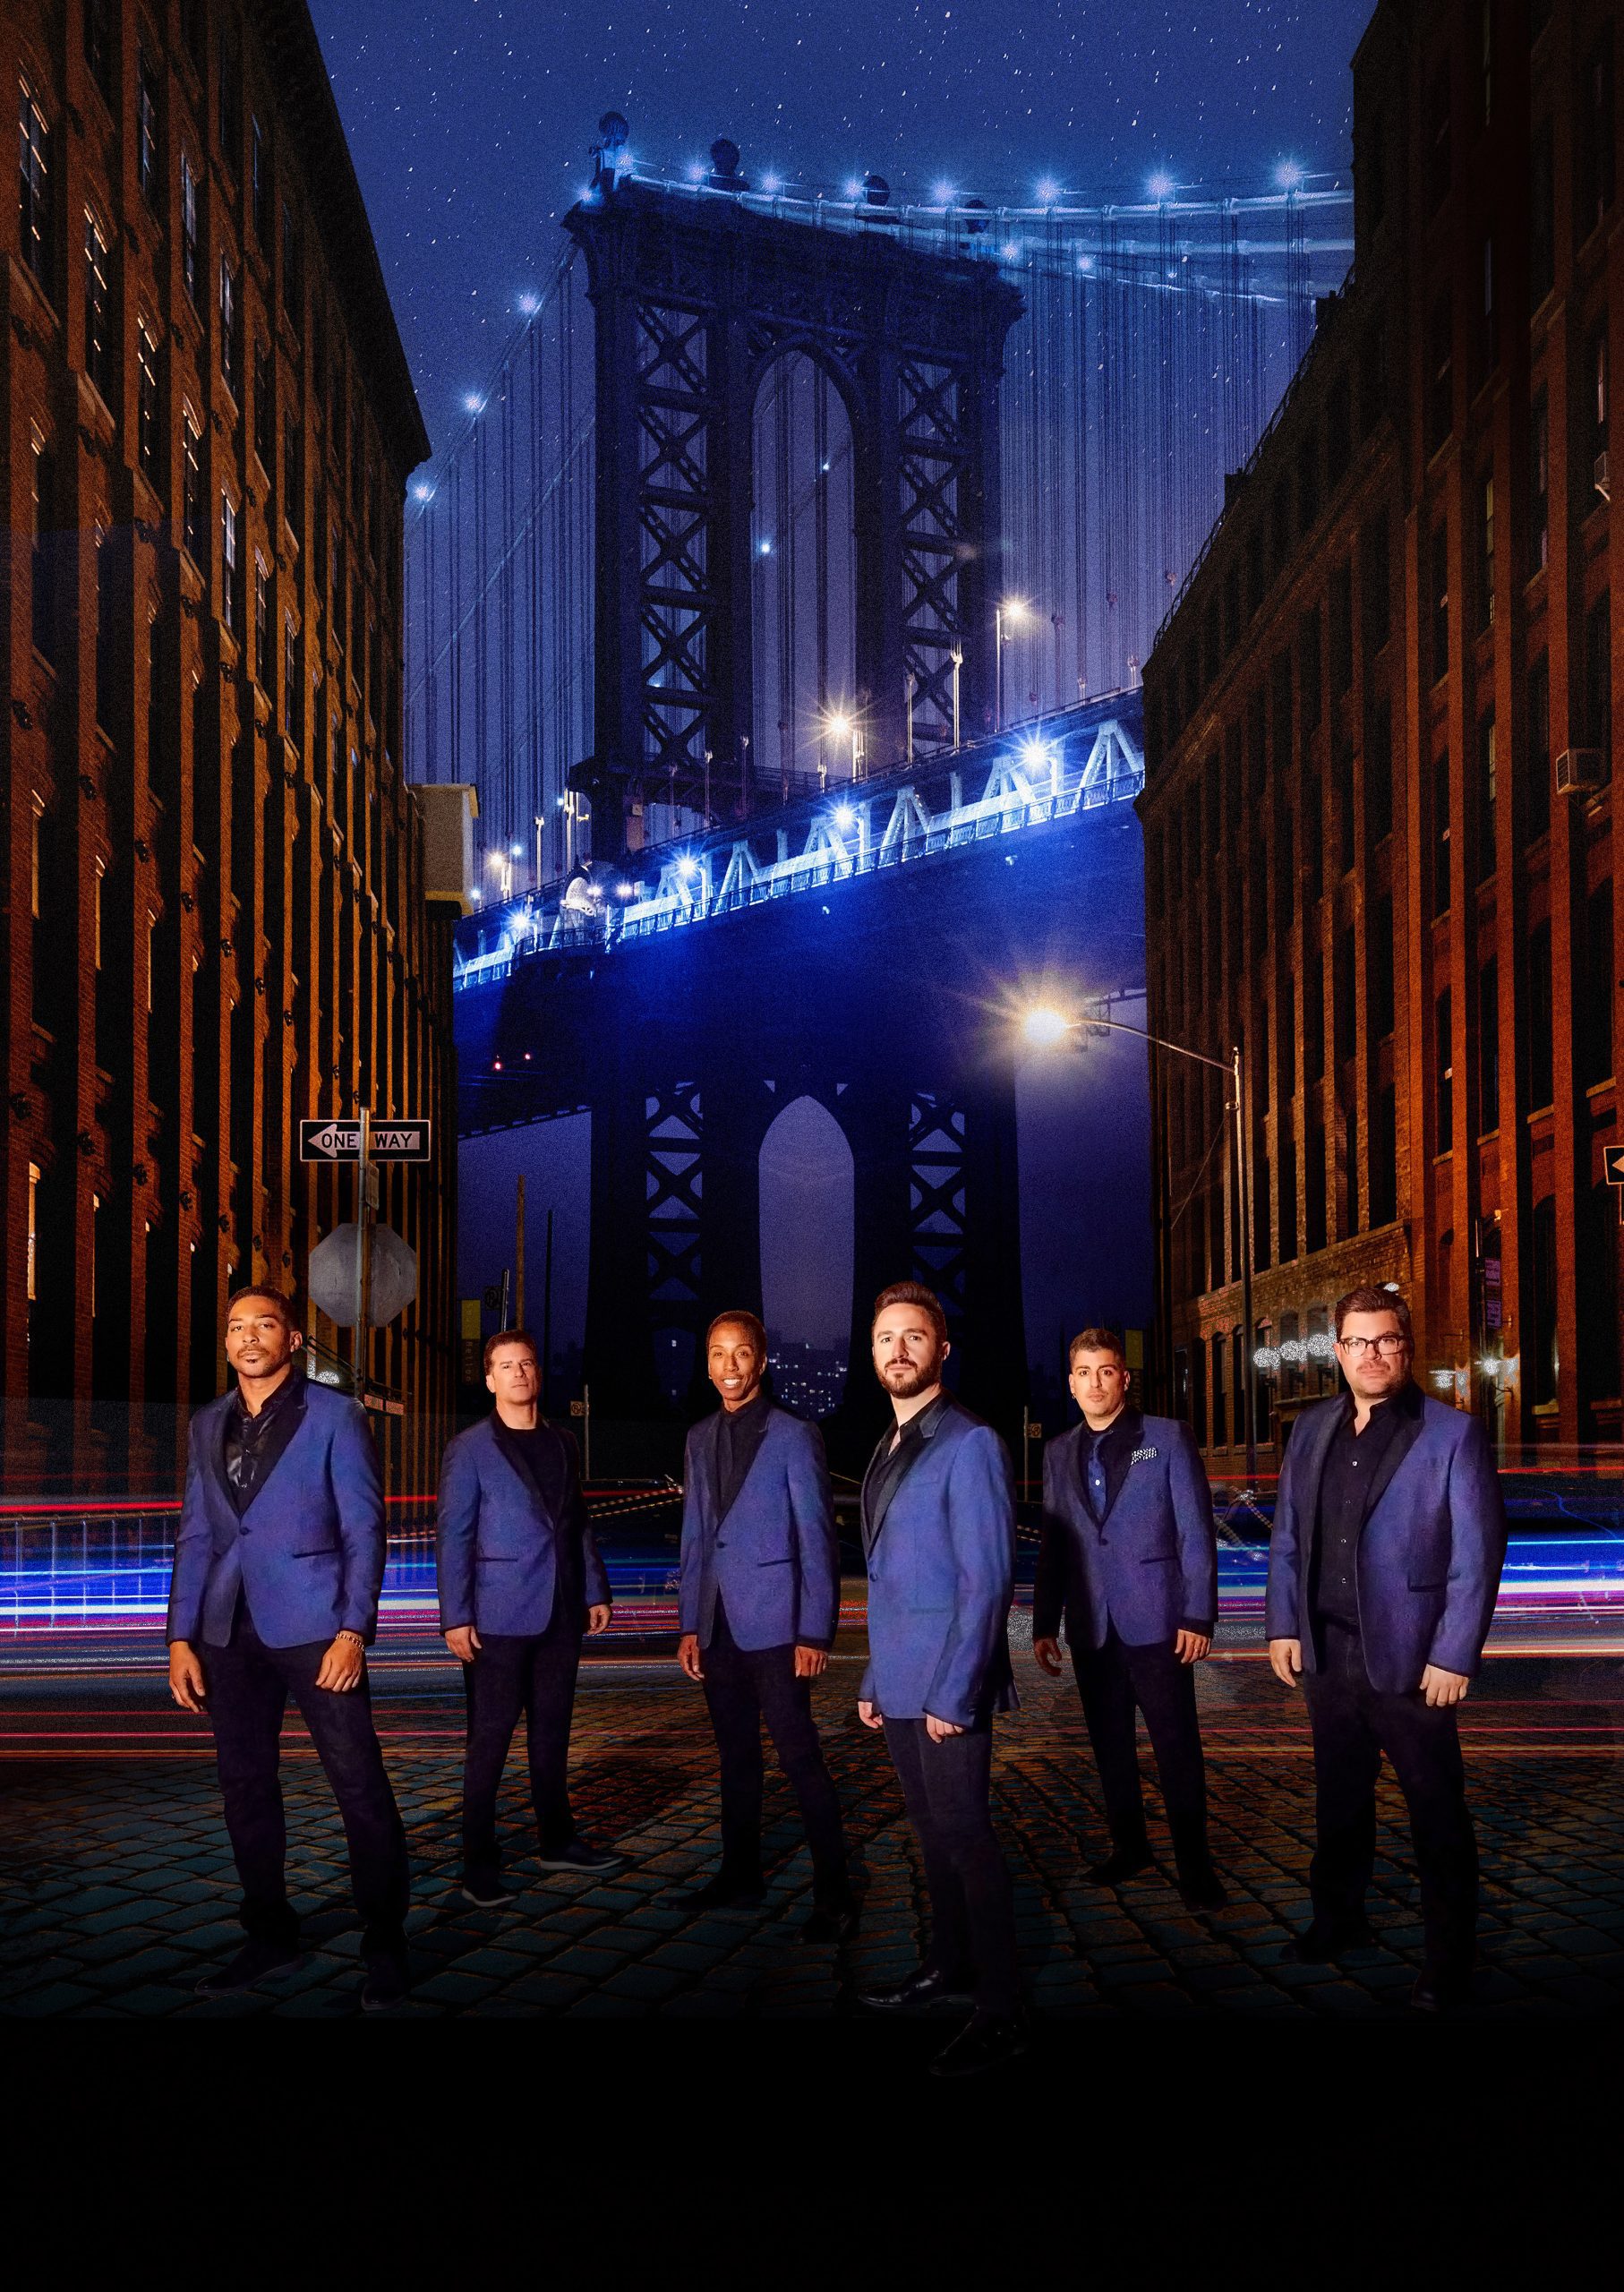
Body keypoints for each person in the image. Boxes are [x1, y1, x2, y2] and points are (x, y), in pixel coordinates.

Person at [167, 1287, 410, 2008]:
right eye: (236, 1326)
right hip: (226, 1634)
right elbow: (197, 1535)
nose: (248, 1337)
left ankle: (386, 1941)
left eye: (263, 1324)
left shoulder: (338, 1417)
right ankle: (269, 1935)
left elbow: (366, 1529)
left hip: (314, 1630)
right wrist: (181, 1635)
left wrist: (352, 1629)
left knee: (358, 1784)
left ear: (292, 1339)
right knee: (244, 1788)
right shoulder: (205, 1423)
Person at [1266, 1285, 1508, 2010]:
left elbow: (1478, 1553)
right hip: (1328, 1657)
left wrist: (1455, 1654)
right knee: (1339, 1806)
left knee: (1437, 1816)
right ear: (1337, 1352)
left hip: (1412, 1665)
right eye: (1358, 1342)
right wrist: (1283, 1625)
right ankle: (1339, 1922)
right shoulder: (1310, 1430)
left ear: (1407, 1346)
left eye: (1387, 1340)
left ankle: (1448, 1962)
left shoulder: (1451, 1434)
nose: (1373, 1354)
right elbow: (1285, 1536)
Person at [854, 1282, 1026, 2079]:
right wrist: (873, 1675)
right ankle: (949, 1965)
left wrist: (955, 1695)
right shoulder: (886, 1444)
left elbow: (985, 1582)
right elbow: (893, 1578)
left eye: (914, 1337)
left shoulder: (972, 1442)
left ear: (942, 1349)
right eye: (886, 1337)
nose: (898, 1350)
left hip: (948, 1692)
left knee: (968, 1839)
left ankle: (1003, 2009)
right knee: (931, 1837)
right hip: (899, 1684)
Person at [1033, 1327, 1227, 1911]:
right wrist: (1044, 1623)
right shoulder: (1057, 1451)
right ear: (1071, 1383)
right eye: (1083, 1373)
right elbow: (1055, 1544)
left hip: (1159, 1623)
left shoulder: (1165, 1439)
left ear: (1124, 1376)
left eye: (1106, 1371)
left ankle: (1196, 1868)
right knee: (1110, 1746)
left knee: (1175, 1747)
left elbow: (1196, 1532)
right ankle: (1131, 1847)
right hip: (1091, 1626)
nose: (1095, 1383)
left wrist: (1199, 1614)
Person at [676, 1311, 854, 1939]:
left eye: (741, 1353)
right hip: (719, 1626)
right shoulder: (698, 1437)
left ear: (761, 1361)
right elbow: (697, 1536)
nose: (729, 1366)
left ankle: (836, 1894)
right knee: (736, 1759)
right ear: (708, 1362)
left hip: (779, 1627)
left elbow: (816, 1540)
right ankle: (740, 1875)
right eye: (718, 1353)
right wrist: (690, 1622)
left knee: (801, 1757)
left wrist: (815, 1632)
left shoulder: (795, 1435)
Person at [437, 1329, 620, 1903]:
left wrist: (595, 1589)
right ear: (489, 1379)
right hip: (495, 1618)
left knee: (552, 1735)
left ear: (538, 1374)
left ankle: (556, 1840)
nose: (519, 1373)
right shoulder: (468, 1448)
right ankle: (477, 1863)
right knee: (488, 1743)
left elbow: (576, 1523)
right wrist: (455, 1615)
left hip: (561, 1613)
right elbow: (455, 1534)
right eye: (506, 1365)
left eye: (527, 1363)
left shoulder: (563, 1442)